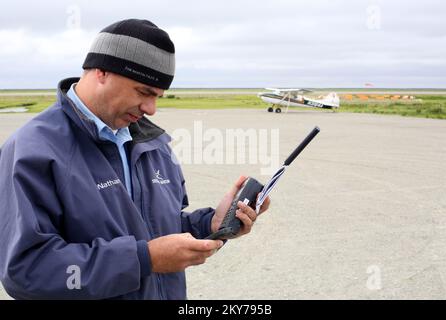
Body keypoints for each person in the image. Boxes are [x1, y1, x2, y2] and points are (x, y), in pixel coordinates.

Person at [0, 18, 270, 300]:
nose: (151, 109)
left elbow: (160, 230)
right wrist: (143, 260)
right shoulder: (33, 149)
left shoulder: (153, 143)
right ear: (102, 71)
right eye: (144, 92)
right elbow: (26, 271)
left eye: (158, 97)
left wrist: (211, 225)